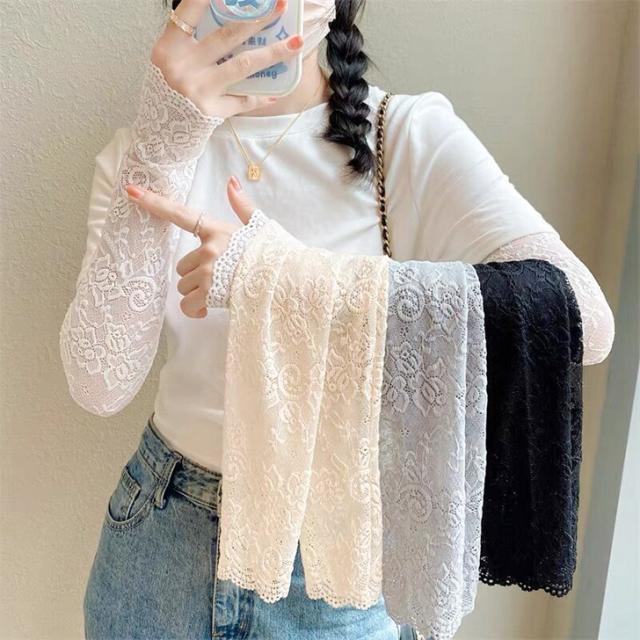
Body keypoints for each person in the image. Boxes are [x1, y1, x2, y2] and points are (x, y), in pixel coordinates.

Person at [59, 0, 615, 638]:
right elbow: (99, 385)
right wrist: (164, 140)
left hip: (335, 560)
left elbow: (582, 320)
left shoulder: (405, 136)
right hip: (161, 537)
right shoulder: (149, 152)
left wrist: (274, 275)